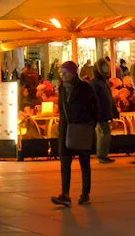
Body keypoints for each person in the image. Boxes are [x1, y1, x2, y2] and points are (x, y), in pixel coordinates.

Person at [51, 61, 98, 206]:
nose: (62, 75)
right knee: (65, 162)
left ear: (73, 73)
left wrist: (90, 125)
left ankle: (85, 193)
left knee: (84, 161)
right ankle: (65, 194)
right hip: (66, 129)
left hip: (82, 128)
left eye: (65, 72)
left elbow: (94, 107)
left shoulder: (85, 87)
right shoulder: (62, 88)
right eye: (62, 72)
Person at [89, 62, 118, 164]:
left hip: (104, 111)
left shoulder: (103, 82)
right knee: (104, 132)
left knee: (103, 132)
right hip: (100, 111)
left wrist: (113, 110)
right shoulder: (95, 83)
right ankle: (101, 155)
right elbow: (94, 99)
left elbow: (109, 97)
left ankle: (102, 154)